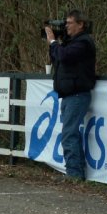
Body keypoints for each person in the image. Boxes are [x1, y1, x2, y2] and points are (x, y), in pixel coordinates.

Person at [45, 9, 97, 181]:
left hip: (77, 95)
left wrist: (53, 41)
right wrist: (56, 43)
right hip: (68, 95)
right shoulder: (72, 42)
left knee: (69, 134)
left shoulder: (83, 43)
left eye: (69, 23)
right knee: (70, 133)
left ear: (81, 24)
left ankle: (74, 175)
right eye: (65, 23)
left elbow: (64, 56)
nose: (66, 26)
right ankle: (75, 173)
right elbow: (58, 58)